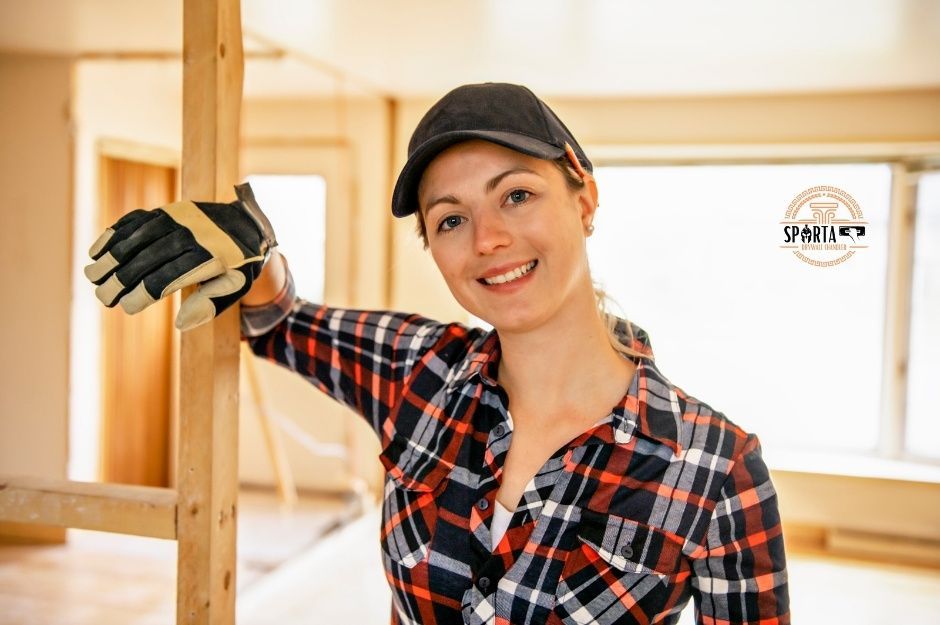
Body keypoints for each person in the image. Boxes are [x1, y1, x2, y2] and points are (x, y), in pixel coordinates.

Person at [86, 82, 790, 624]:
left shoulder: (715, 467)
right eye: (451, 218)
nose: (487, 239)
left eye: (516, 194)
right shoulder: (419, 370)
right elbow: (280, 323)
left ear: (585, 199)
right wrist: (258, 261)